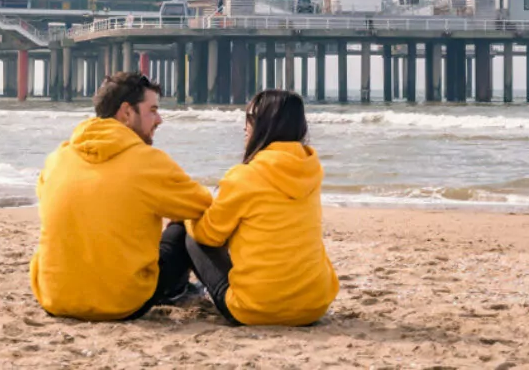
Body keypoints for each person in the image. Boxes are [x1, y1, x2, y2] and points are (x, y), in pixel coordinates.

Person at [30, 72, 212, 321]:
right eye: (152, 110)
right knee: (182, 224)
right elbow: (204, 205)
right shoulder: (148, 162)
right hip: (123, 303)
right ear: (126, 113)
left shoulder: (57, 158)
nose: (159, 120)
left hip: (55, 299)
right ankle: (177, 290)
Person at [182, 90, 338, 326]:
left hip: (256, 309)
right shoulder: (311, 171)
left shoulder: (244, 177)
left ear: (266, 125)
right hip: (314, 307)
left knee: (191, 235)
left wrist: (186, 217)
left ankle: (172, 291)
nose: (246, 125)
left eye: (252, 117)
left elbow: (208, 236)